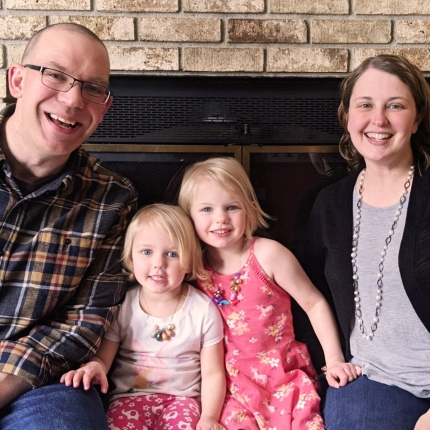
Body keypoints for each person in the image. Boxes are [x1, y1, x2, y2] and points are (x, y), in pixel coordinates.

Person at [0, 23, 138, 430]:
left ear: (104, 107)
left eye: (93, 88)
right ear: (18, 80)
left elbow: (85, 322)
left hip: (41, 378)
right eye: (55, 75)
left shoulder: (113, 199)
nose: (74, 99)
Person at [177, 157, 360, 430]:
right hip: (228, 387)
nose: (220, 219)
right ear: (188, 216)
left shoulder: (268, 254)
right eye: (206, 209)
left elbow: (314, 303)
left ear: (249, 208)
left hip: (282, 377)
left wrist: (334, 359)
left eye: (231, 207)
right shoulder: (192, 267)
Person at [301, 54, 430, 430]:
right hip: (371, 376)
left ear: (417, 118)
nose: (379, 120)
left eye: (396, 106)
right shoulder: (327, 203)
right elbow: (310, 294)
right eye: (365, 105)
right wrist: (331, 360)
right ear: (347, 117)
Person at [61, 204, 226, 430]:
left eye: (172, 254)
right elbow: (104, 358)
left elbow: (213, 372)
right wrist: (94, 366)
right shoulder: (124, 305)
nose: (159, 263)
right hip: (127, 399)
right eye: (147, 252)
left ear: (189, 260)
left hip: (183, 401)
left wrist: (209, 417)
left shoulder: (203, 310)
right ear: (131, 258)